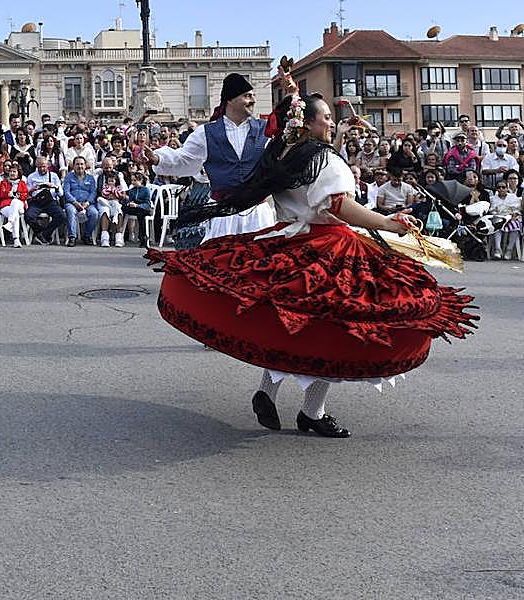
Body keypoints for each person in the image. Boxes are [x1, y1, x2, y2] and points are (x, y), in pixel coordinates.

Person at [147, 88, 477, 438]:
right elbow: (337, 206)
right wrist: (386, 222)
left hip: (286, 240)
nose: (331, 123)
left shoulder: (281, 153)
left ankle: (268, 393)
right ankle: (312, 412)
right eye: (326, 118)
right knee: (332, 327)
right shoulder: (325, 160)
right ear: (308, 122)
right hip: (328, 246)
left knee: (286, 321)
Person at [144, 73, 275, 244]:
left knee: (260, 266)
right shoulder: (206, 133)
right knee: (222, 264)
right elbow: (186, 159)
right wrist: (158, 159)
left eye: (253, 95)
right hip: (224, 215)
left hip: (258, 216)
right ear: (231, 99)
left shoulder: (265, 130)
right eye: (247, 96)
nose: (253, 100)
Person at [24, 157, 64, 244]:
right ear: (36, 166)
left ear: (48, 166)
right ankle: (40, 232)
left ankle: (45, 234)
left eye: (44, 166)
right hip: (36, 201)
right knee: (29, 216)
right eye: (39, 167)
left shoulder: (54, 176)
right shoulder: (31, 177)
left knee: (61, 216)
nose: (42, 169)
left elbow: (61, 194)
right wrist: (33, 190)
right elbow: (26, 194)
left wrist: (55, 187)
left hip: (50, 201)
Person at [62, 156, 99, 246]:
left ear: (85, 165)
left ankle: (86, 235)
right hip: (72, 203)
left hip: (87, 203)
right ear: (73, 166)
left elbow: (93, 192)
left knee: (94, 213)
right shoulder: (68, 177)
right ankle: (72, 237)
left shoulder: (90, 178)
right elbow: (66, 192)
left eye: (82, 164)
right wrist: (74, 202)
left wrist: (88, 202)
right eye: (77, 164)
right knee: (71, 211)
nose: (80, 166)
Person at [0, 161, 27, 248]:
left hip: (19, 205)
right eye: (10, 171)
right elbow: (1, 194)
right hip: (6, 206)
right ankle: (16, 239)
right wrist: (8, 193)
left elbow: (25, 195)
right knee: (15, 215)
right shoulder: (4, 183)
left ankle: (9, 223)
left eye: (14, 171)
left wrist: (18, 195)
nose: (12, 173)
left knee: (15, 201)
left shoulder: (22, 183)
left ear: (18, 173)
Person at [96, 166, 126, 247]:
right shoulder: (99, 177)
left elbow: (123, 194)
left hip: (115, 202)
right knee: (105, 211)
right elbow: (102, 193)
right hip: (104, 202)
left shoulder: (119, 180)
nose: (108, 170)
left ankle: (119, 237)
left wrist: (116, 195)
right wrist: (107, 195)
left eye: (110, 167)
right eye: (105, 167)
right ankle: (105, 238)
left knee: (119, 210)